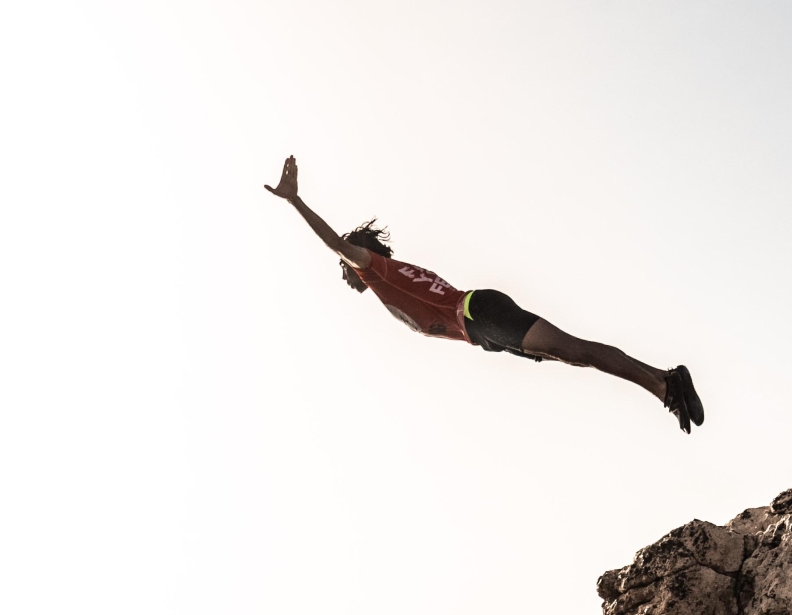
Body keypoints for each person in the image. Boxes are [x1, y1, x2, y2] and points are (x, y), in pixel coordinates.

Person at [263, 156, 706, 432]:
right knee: (572, 355)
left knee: (575, 350)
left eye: (345, 267)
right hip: (482, 325)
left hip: (478, 313)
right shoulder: (391, 273)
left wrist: (295, 202)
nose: (344, 275)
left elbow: (336, 244)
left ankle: (665, 384)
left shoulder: (377, 269)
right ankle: (665, 383)